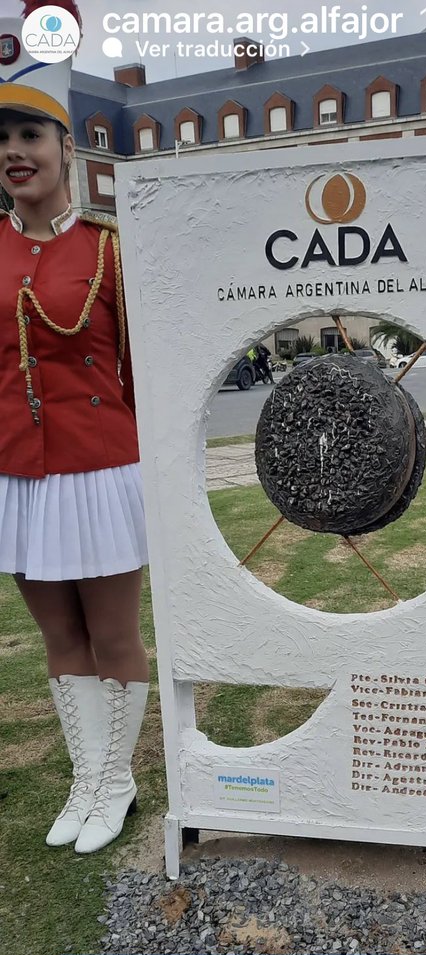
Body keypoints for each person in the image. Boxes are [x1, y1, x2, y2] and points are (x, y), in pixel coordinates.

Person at [0, 1, 149, 854]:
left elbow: (139, 370)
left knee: (113, 633)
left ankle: (117, 780)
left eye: (31, 135)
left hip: (99, 469)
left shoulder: (107, 249)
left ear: (65, 150)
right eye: (4, 141)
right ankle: (87, 776)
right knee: (59, 636)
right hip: (19, 473)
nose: (15, 153)